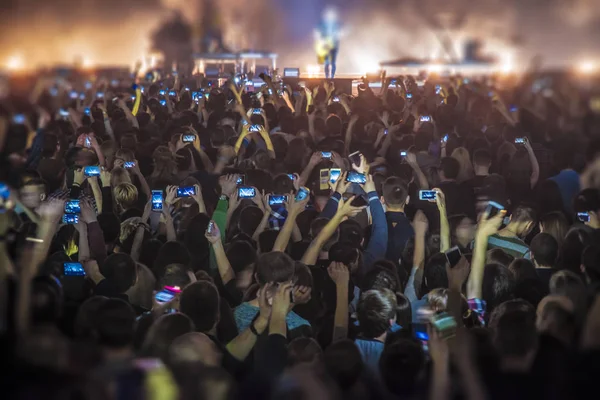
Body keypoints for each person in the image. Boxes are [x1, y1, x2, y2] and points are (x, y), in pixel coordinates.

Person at [315, 6, 342, 79]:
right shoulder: (322, 24)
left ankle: (332, 77)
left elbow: (339, 33)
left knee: (333, 62)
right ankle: (327, 77)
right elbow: (317, 32)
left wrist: (337, 35)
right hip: (325, 45)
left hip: (334, 45)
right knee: (326, 63)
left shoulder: (336, 24)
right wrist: (321, 41)